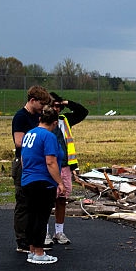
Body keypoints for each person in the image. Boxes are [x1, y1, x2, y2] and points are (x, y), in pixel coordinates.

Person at [20, 105, 66, 264]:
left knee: (32, 216)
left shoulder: (29, 134)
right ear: (54, 123)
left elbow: (23, 158)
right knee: (41, 216)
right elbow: (50, 161)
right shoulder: (49, 136)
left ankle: (32, 250)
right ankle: (40, 252)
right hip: (43, 181)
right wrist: (60, 182)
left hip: (27, 180)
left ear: (40, 119)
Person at [11, 85, 51, 253]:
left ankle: (34, 240)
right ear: (32, 100)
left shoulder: (38, 116)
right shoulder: (21, 117)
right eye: (41, 103)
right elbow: (19, 141)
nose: (43, 107)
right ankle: (22, 241)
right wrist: (38, 138)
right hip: (23, 163)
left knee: (35, 204)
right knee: (23, 202)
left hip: (36, 164)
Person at [45, 91, 88, 245]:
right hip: (48, 166)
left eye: (58, 106)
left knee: (62, 199)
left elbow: (83, 112)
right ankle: (44, 233)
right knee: (46, 201)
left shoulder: (64, 120)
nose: (56, 109)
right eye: (53, 105)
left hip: (64, 166)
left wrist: (65, 102)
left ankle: (59, 232)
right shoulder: (41, 121)